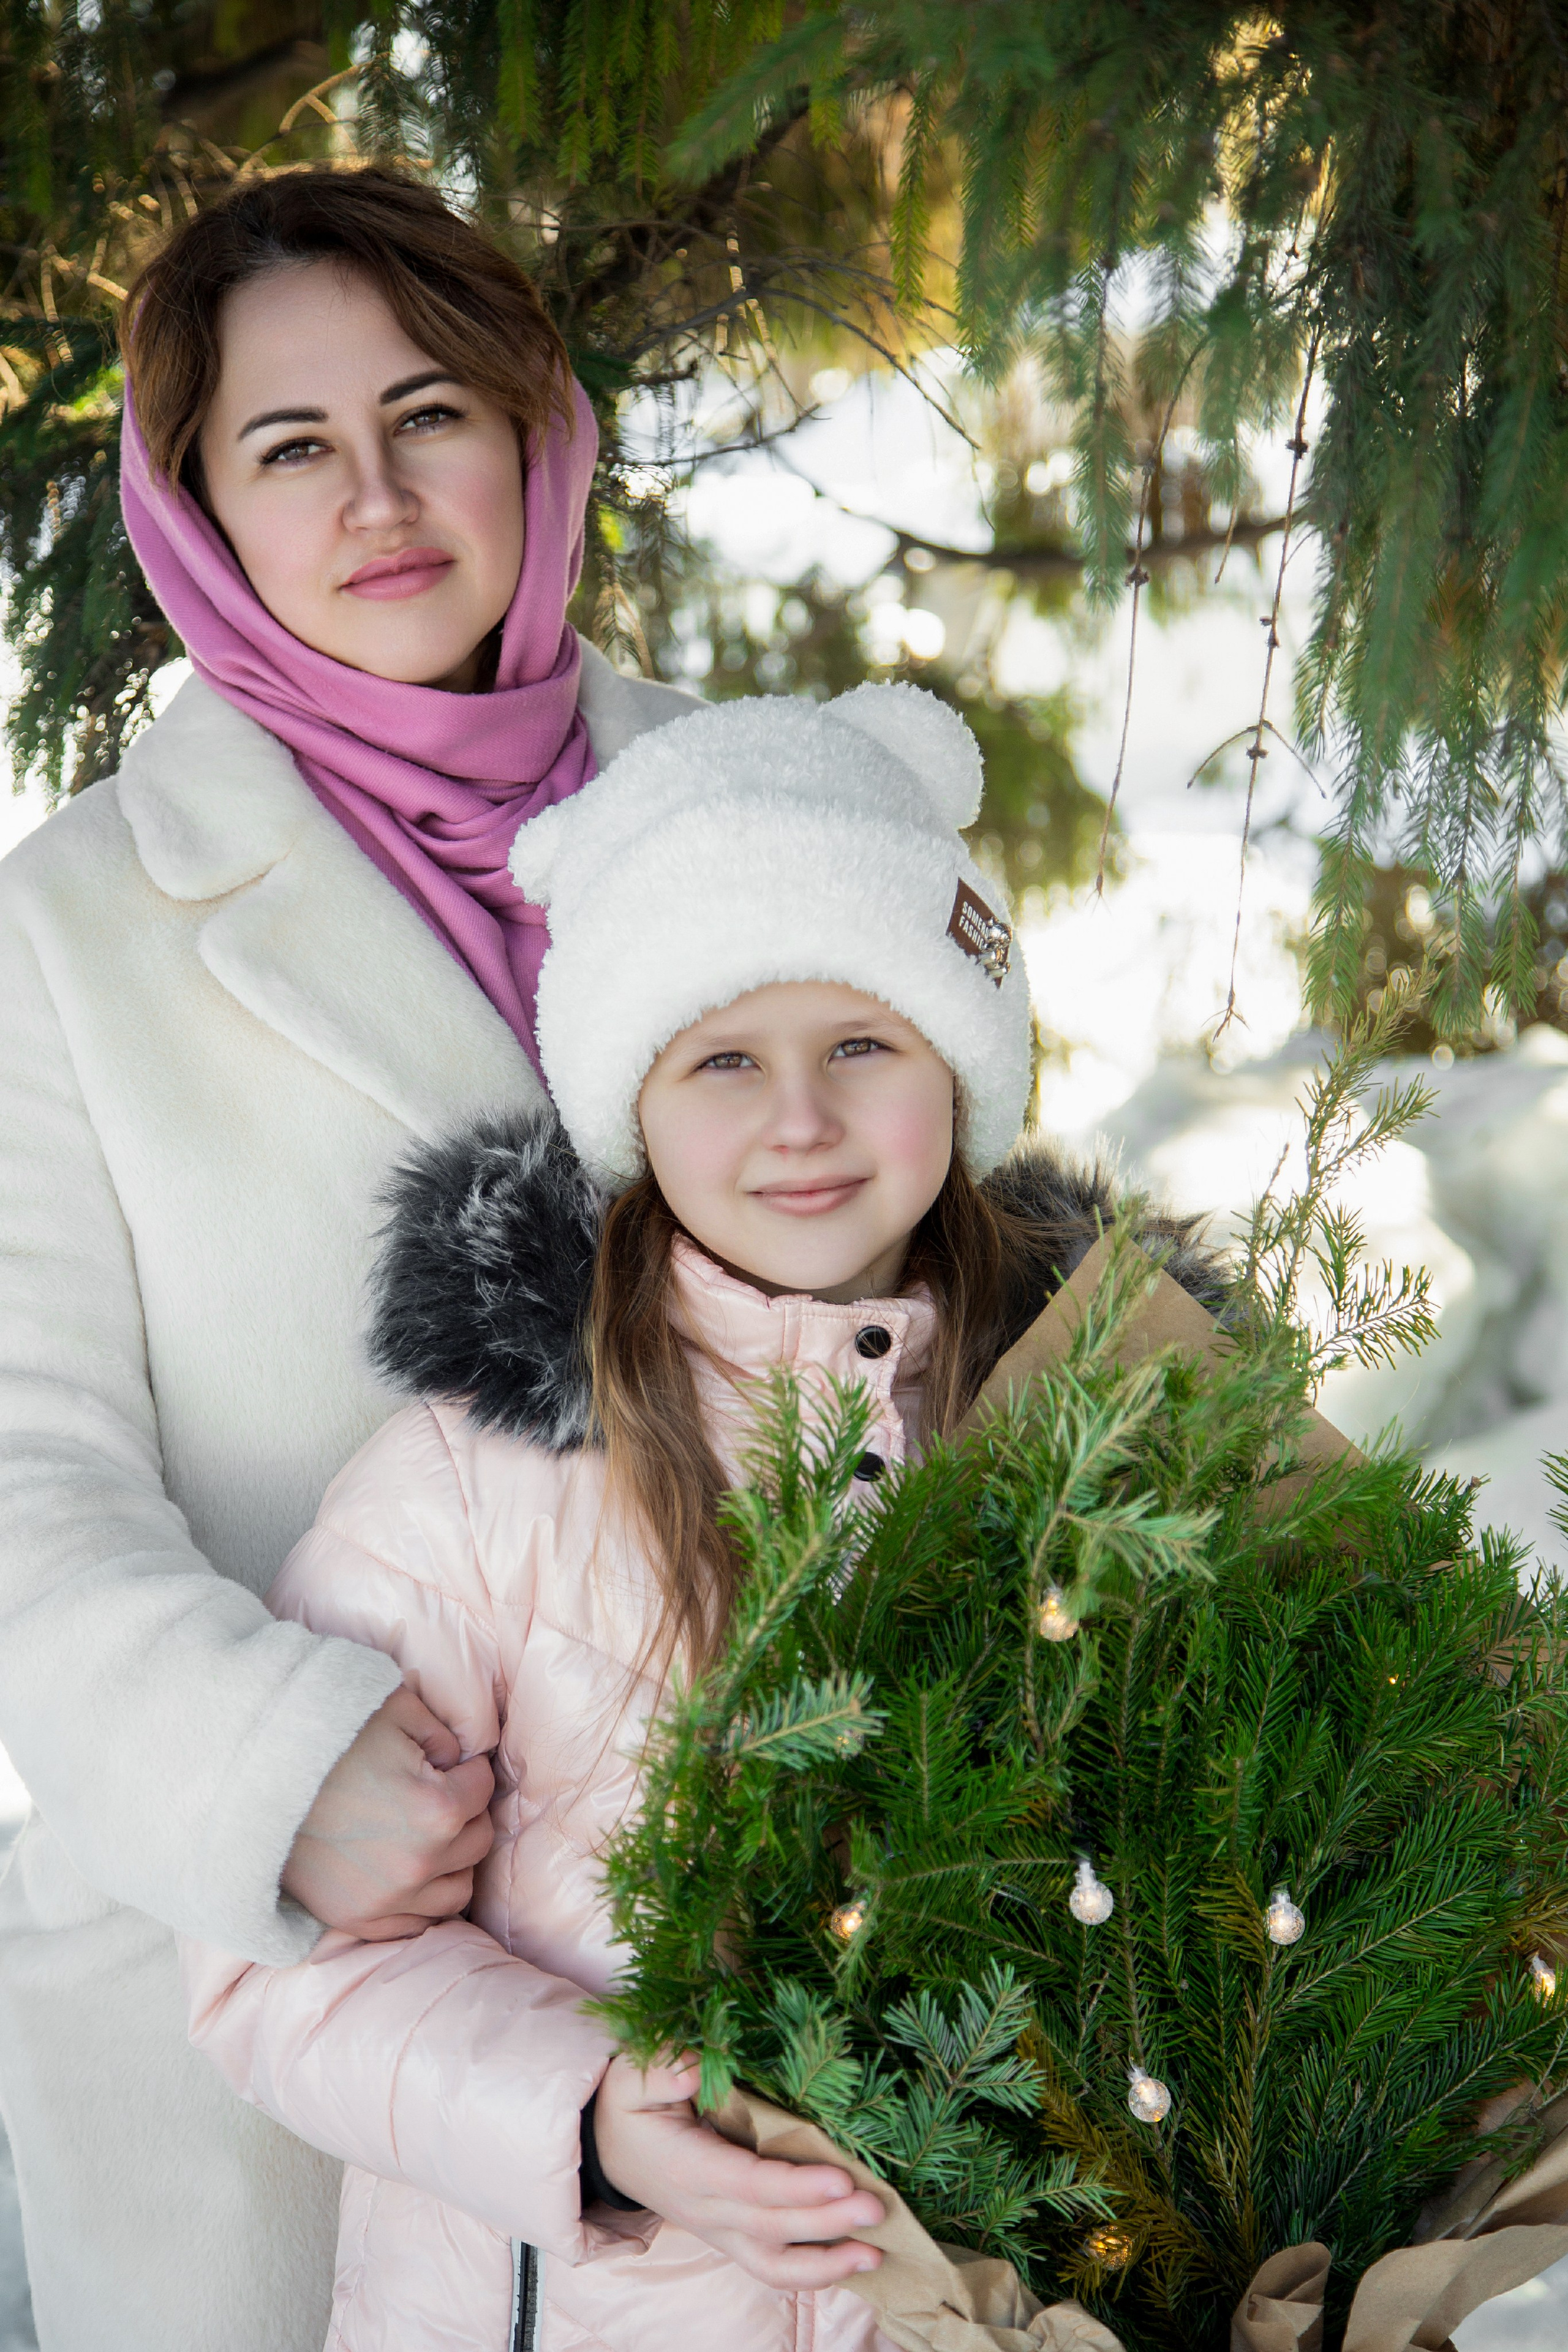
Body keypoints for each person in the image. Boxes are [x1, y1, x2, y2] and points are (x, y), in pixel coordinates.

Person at [182, 685, 1220, 2351]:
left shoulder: (1105, 1442)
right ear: (631, 1106)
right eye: (722, 1057)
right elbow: (282, 1970)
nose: (797, 1120)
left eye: (862, 1044)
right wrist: (585, 2114)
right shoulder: (475, 1487)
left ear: (960, 1064)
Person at [0, 167, 692, 2351]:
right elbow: (24, 1462)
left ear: (538, 435)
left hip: (758, 1975)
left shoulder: (761, 816)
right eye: (291, 447)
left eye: (434, 413)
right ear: (197, 508)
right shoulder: (72, 928)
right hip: (287, 1983)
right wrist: (262, 1767)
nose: (379, 496)